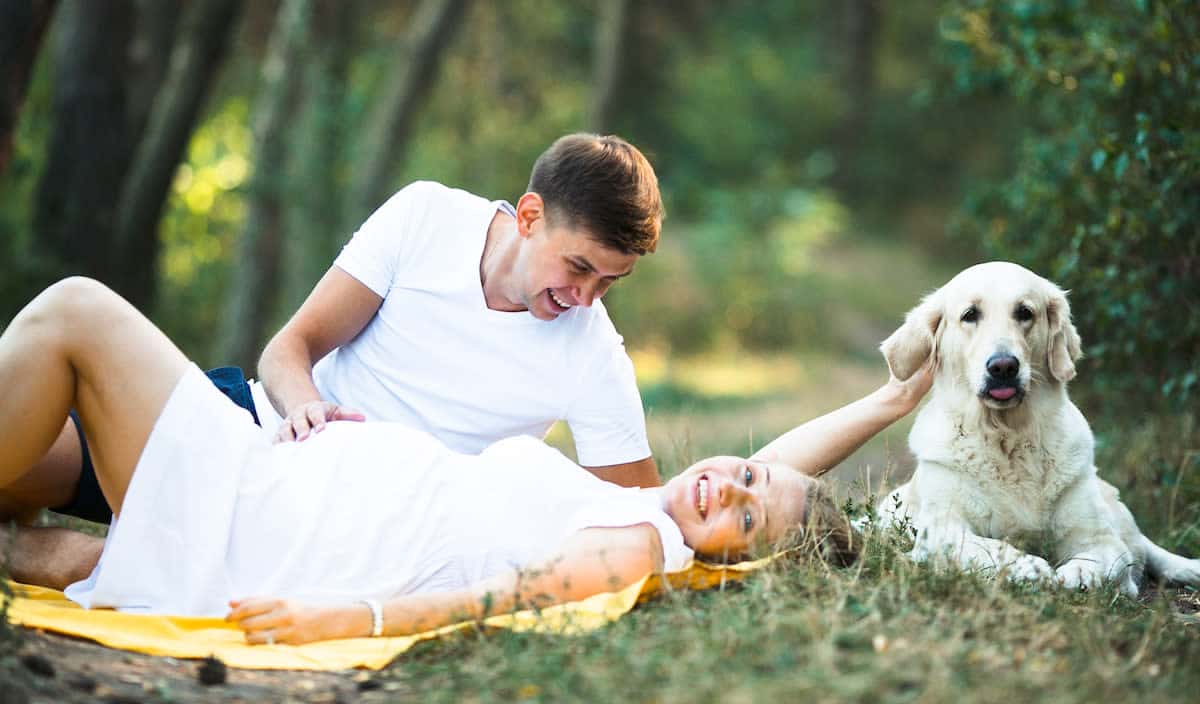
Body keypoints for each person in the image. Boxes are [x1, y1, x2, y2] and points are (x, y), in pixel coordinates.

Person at [0, 278, 931, 644]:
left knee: (77, 312)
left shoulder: (642, 547)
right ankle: (41, 547)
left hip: (278, 523)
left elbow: (506, 598)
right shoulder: (667, 510)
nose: (727, 484)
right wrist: (891, 402)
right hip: (282, 475)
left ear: (736, 554)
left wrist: (354, 616)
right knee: (31, 493)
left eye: (744, 513)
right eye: (746, 473)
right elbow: (774, 478)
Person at [1, 133, 666, 588]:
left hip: (326, 518)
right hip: (249, 424)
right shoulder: (427, 217)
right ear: (529, 215)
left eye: (610, 282)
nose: (584, 297)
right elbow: (289, 349)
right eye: (579, 267)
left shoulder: (593, 355)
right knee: (19, 463)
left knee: (74, 309)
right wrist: (304, 406)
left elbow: (646, 518)